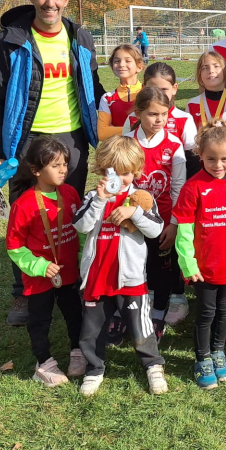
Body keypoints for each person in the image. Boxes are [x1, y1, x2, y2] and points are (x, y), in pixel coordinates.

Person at [0, 0, 105, 327]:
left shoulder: (80, 36)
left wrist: (112, 127)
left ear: (66, 0)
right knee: (26, 216)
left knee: (68, 214)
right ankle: (23, 291)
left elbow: (93, 87)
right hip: (26, 141)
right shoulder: (10, 40)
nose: (49, 2)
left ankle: (68, 283)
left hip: (72, 139)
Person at [73, 136, 168, 396]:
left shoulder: (141, 198)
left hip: (130, 278)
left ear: (136, 171)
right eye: (112, 172)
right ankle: (95, 368)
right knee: (91, 329)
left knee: (140, 326)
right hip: (97, 277)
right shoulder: (93, 196)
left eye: (126, 173)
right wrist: (100, 200)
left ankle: (153, 365)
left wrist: (134, 213)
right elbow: (81, 226)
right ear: (102, 171)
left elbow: (155, 229)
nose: (120, 179)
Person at [174, 121, 226, 389]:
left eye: (224, 159)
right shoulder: (192, 188)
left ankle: (218, 351)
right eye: (211, 159)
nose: (218, 165)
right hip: (204, 267)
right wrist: (188, 264)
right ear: (200, 155)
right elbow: (184, 231)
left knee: (224, 310)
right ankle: (202, 358)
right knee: (207, 313)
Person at [4, 136, 84, 386]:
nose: (63, 170)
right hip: (39, 277)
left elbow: (81, 228)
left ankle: (78, 350)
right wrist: (40, 266)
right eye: (55, 165)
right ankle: (43, 362)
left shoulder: (70, 193)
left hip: (68, 271)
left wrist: (85, 258)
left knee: (75, 313)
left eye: (65, 164)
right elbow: (14, 246)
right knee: (40, 319)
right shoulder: (24, 205)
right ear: (36, 170)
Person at [124, 88, 188, 334]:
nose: (159, 119)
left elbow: (179, 187)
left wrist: (173, 224)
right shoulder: (127, 142)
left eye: (164, 114)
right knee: (135, 265)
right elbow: (119, 184)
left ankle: (159, 312)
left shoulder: (174, 145)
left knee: (162, 268)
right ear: (138, 113)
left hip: (163, 222)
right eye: (152, 114)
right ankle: (129, 310)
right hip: (131, 221)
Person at [186, 49, 226, 129]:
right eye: (205, 68)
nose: (211, 71)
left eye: (216, 66)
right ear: (199, 76)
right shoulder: (192, 105)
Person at [98, 44, 144, 141]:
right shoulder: (107, 99)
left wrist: (114, 130)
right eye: (117, 61)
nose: (121, 64)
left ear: (139, 66)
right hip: (119, 149)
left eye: (127, 61)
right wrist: (137, 129)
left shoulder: (149, 93)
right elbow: (102, 133)